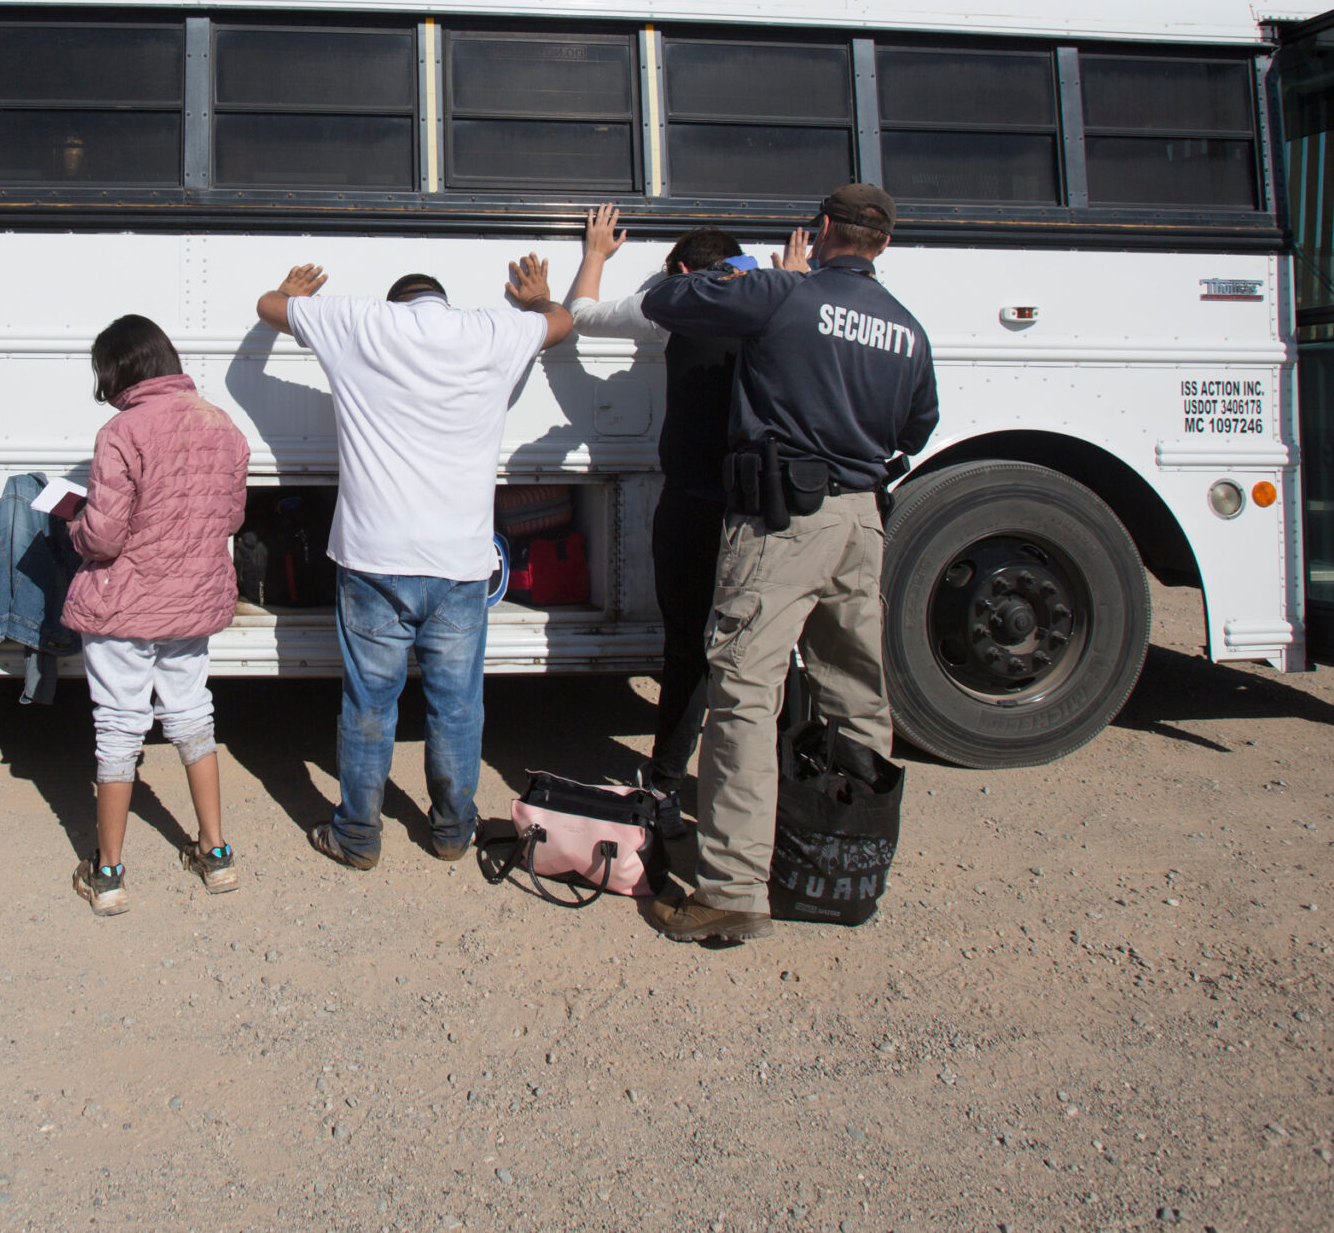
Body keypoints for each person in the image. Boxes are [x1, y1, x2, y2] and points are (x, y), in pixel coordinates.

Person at [634, 184, 938, 945]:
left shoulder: (782, 295)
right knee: (855, 693)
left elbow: (668, 299)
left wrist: (734, 273)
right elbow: (919, 424)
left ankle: (732, 888)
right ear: (883, 246)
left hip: (783, 520)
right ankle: (851, 861)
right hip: (861, 521)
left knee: (744, 689)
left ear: (824, 228)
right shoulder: (906, 328)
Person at [259, 261, 571, 868]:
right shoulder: (490, 332)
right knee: (456, 705)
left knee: (369, 703)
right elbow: (559, 322)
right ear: (441, 303)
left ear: (395, 302)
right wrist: (537, 299)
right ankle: (453, 832)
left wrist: (289, 294)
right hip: (459, 564)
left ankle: (357, 836)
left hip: (373, 558)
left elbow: (267, 308)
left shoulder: (356, 322)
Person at [563, 206, 808, 789]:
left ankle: (668, 779)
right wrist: (799, 280)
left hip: (694, 503)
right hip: (763, 506)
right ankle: (792, 780)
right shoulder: (786, 305)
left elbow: (582, 316)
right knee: (777, 647)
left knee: (687, 647)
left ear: (680, 270)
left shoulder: (677, 306)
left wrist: (595, 254)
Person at [61, 314, 252, 915]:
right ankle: (215, 853)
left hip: (125, 606)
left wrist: (72, 523)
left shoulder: (121, 430)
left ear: (119, 369)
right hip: (191, 605)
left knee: (119, 727)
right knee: (194, 717)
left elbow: (104, 539)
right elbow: (231, 521)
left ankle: (110, 873)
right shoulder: (223, 427)